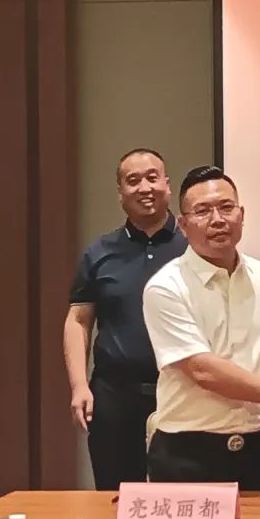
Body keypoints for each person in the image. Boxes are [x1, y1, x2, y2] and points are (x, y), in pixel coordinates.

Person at [142, 165, 260, 490]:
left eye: (226, 207)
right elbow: (203, 370)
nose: (217, 219)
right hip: (190, 453)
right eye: (203, 211)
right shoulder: (166, 287)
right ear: (183, 225)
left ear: (241, 215)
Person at [64, 148, 187, 491]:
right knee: (114, 498)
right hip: (115, 395)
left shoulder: (194, 247)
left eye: (152, 178)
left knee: (182, 497)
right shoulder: (99, 252)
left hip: (183, 392)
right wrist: (78, 385)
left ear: (167, 184)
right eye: (133, 181)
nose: (144, 187)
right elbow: (78, 320)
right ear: (120, 192)